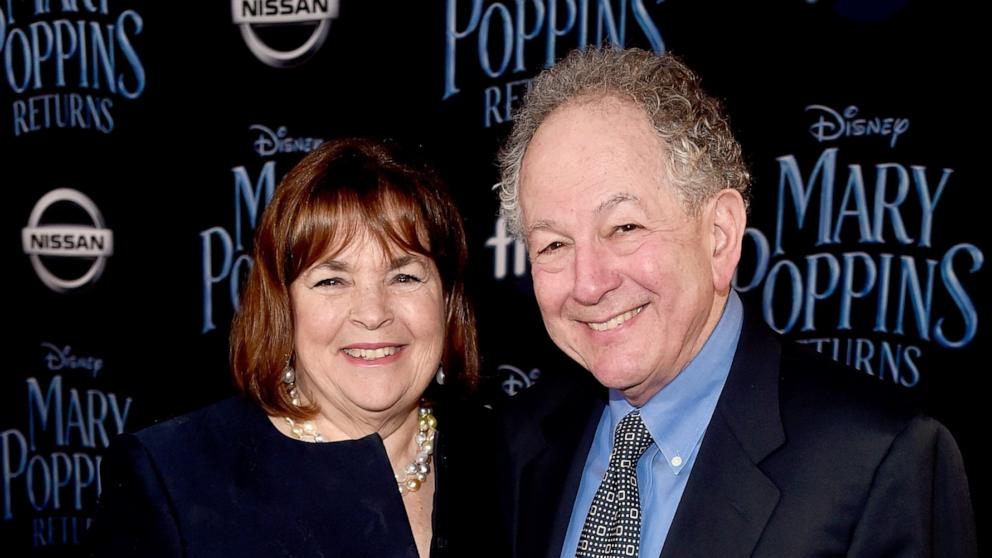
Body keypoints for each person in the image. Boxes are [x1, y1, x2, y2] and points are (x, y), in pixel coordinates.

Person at [495, 47, 977, 558]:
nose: (588, 284)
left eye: (625, 227)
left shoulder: (881, 461)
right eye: (553, 245)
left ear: (720, 236)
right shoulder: (518, 441)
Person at [87, 138, 504, 557]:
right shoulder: (174, 476)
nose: (373, 313)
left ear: (448, 300)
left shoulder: (509, 460)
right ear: (282, 307)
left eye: (405, 277)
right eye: (331, 281)